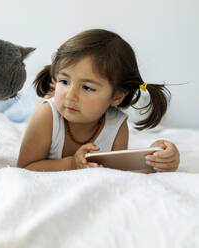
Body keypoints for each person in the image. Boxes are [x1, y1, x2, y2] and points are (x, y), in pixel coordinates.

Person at [17, 29, 180, 173]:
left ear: (117, 97)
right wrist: (72, 163)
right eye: (65, 82)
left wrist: (157, 160)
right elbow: (25, 167)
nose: (70, 96)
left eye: (87, 87)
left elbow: (120, 172)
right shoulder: (46, 115)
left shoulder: (116, 124)